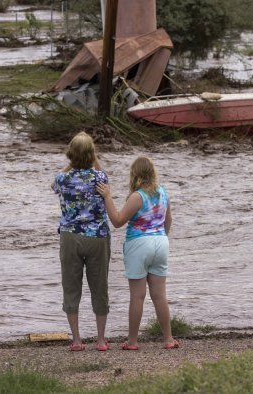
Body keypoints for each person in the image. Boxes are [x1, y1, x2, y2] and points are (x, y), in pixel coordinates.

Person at [96, 156, 178, 350]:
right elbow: (169, 220)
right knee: (160, 295)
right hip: (161, 242)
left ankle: (132, 341)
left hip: (139, 244)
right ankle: (168, 339)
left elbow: (117, 221)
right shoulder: (163, 192)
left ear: (135, 175)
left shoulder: (137, 196)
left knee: (137, 296)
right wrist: (161, 237)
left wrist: (107, 197)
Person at [52, 131, 111, 352]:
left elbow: (54, 184)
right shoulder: (100, 178)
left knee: (71, 286)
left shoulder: (63, 179)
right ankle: (101, 340)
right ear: (91, 154)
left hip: (70, 236)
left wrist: (71, 163)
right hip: (97, 236)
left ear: (70, 155)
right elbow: (101, 171)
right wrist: (92, 157)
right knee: (99, 286)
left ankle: (76, 340)